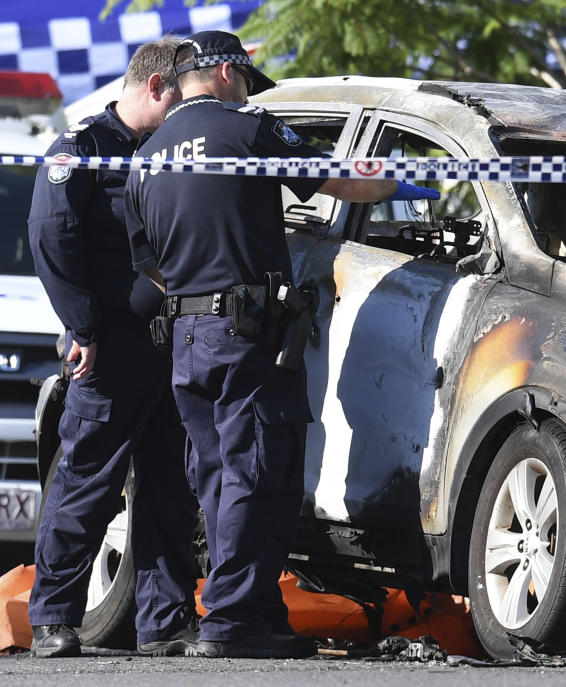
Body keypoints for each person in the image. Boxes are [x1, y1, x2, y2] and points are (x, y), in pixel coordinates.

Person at [123, 30, 439, 659]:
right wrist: (409, 183)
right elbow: (345, 180)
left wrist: (197, 294)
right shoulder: (245, 129)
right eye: (243, 79)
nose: (246, 90)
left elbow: (148, 265)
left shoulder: (146, 155)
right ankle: (232, 621)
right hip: (246, 336)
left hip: (186, 335)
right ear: (223, 74)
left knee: (216, 476)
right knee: (254, 470)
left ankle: (258, 609)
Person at [27, 37, 200, 658]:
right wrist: (82, 329)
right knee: (87, 483)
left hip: (171, 344)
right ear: (156, 87)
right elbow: (51, 241)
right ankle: (52, 617)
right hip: (110, 346)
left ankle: (164, 623)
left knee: (170, 489)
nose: (188, 112)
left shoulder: (172, 153)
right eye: (182, 97)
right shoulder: (82, 151)